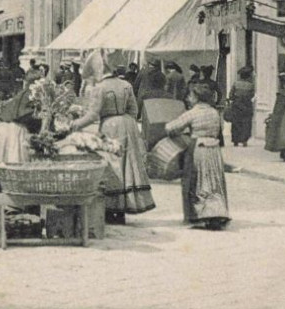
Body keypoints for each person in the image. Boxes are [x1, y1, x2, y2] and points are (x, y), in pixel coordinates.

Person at [68, 57, 155, 223]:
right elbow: (134, 110)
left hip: (109, 126)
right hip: (127, 125)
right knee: (127, 165)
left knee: (112, 165)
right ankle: (123, 209)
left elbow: (93, 114)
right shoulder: (126, 85)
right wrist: (126, 124)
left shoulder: (100, 88)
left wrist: (75, 124)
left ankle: (112, 208)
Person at [165, 82, 231, 230]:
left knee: (195, 181)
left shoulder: (193, 113)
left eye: (190, 95)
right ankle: (216, 213)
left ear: (196, 97)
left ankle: (197, 215)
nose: (188, 98)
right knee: (213, 182)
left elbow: (171, 127)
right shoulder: (214, 112)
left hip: (198, 149)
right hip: (214, 150)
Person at [227, 66, 255, 147]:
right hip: (247, 105)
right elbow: (252, 95)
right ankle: (244, 140)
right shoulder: (251, 85)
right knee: (246, 123)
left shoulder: (236, 84)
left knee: (236, 122)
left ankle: (235, 140)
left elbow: (231, 95)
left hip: (236, 105)